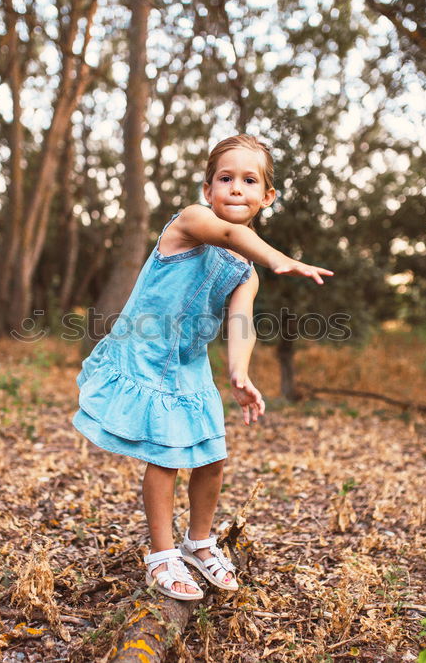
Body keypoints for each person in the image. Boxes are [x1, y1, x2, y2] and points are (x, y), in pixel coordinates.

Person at [72, 134, 332, 600]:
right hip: (144, 354)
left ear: (266, 196)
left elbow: (240, 322)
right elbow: (233, 234)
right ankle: (161, 554)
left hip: (189, 366)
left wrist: (239, 374)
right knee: (166, 455)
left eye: (249, 181)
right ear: (208, 189)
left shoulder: (245, 271)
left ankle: (199, 542)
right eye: (225, 179)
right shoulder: (191, 222)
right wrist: (279, 258)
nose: (236, 189)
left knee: (213, 456)